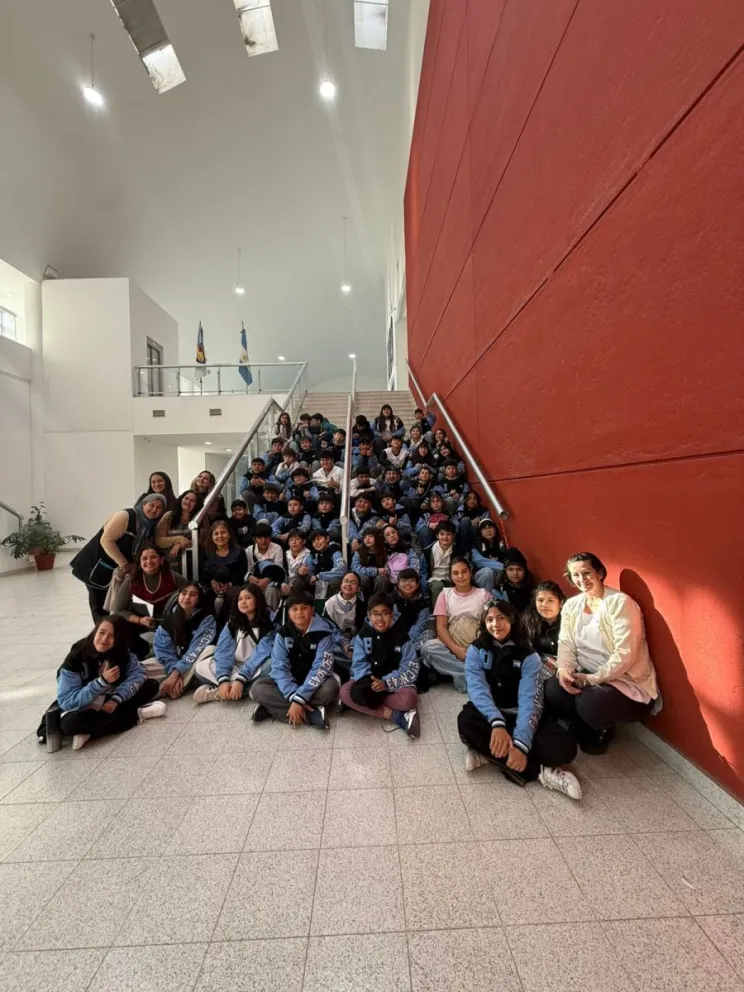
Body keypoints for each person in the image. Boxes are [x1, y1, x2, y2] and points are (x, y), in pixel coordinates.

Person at [457, 601, 581, 798]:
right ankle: (540, 772)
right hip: (492, 715)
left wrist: (522, 743)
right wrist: (497, 723)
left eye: (501, 618)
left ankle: (492, 755)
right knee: (466, 722)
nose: (495, 624)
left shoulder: (528, 655)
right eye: (490, 619)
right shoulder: (476, 649)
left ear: (512, 620)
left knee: (565, 747)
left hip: (522, 716)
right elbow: (477, 689)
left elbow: (530, 700)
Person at [544, 552, 660, 754]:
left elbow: (625, 654)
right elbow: (566, 643)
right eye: (575, 575)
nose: (582, 579)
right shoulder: (571, 605)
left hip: (623, 680)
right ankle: (582, 723)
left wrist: (592, 679)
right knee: (554, 688)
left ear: (599, 573)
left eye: (586, 573)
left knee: (590, 703)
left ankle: (602, 728)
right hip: (584, 672)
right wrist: (564, 670)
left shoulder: (620, 603)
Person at [56, 615, 164, 750]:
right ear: (95, 632)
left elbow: (138, 674)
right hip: (84, 705)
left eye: (112, 636)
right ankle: (136, 714)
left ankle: (91, 730)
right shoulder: (76, 657)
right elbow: (67, 701)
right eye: (101, 633)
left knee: (151, 685)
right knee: (70, 724)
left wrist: (116, 699)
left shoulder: (121, 651)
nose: (104, 639)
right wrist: (100, 682)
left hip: (110, 698)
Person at [71, 493, 166, 622]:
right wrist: (125, 564)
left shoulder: (149, 526)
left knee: (114, 602)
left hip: (115, 567)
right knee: (99, 604)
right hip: (96, 565)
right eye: (152, 505)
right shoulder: (125, 516)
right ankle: (102, 631)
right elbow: (106, 541)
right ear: (144, 504)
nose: (154, 509)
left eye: (159, 507)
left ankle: (112, 628)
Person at [250, 590, 339, 727]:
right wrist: (294, 696)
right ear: (288, 613)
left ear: (312, 610)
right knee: (258, 688)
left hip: (314, 682)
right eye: (294, 609)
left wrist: (300, 698)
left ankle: (272, 708)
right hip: (290, 679)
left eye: (304, 608)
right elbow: (279, 667)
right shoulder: (282, 633)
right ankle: (312, 715)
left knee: (330, 689)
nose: (299, 613)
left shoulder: (324, 634)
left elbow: (321, 668)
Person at [339, 593, 420, 736]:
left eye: (385, 613)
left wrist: (386, 683)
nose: (380, 619)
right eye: (375, 614)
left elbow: (410, 667)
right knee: (345, 692)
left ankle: (360, 704)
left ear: (392, 614)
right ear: (369, 615)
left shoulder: (402, 637)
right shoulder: (363, 635)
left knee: (409, 700)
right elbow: (359, 663)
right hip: (369, 682)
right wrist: (371, 683)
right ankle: (396, 716)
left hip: (394, 683)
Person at [194, 585, 275, 703]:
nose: (243, 602)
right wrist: (223, 679)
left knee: (272, 665)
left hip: (256, 666)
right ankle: (236, 689)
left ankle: (222, 692)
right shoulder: (233, 622)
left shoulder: (268, 622)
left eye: (248, 598)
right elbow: (223, 650)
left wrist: (241, 679)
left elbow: (262, 653)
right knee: (200, 667)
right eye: (240, 599)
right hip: (234, 665)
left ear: (258, 599)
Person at [420, 558, 491, 692]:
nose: (460, 576)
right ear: (451, 576)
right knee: (428, 649)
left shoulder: (484, 595)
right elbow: (441, 627)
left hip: (477, 645)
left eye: (464, 572)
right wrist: (456, 650)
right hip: (452, 644)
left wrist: (475, 649)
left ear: (470, 573)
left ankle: (462, 675)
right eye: (455, 573)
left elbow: (491, 627)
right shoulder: (445, 595)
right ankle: (471, 676)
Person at [112, 545, 185, 659]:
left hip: (170, 622)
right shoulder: (131, 581)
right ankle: (137, 656)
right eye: (144, 558)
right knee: (117, 624)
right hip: (141, 622)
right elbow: (119, 609)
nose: (149, 561)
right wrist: (140, 620)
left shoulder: (173, 577)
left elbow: (191, 592)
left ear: (161, 560)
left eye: (153, 557)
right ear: (139, 563)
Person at [151, 582, 216, 699]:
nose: (187, 597)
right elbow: (163, 650)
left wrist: (177, 673)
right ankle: (173, 685)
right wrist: (173, 671)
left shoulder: (206, 619)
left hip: (193, 661)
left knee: (209, 649)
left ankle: (166, 688)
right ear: (178, 596)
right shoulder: (168, 618)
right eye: (184, 593)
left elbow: (196, 649)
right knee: (143, 667)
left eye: (192, 595)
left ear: (198, 599)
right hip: (174, 663)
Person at [521, 581, 566, 676]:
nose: (544, 604)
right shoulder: (527, 623)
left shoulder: (569, 621)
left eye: (550, 600)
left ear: (561, 602)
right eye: (540, 600)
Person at [156, 490, 201, 570]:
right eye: (186, 498)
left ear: (196, 504)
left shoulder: (199, 518)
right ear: (181, 499)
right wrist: (179, 539)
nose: (188, 502)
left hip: (192, 564)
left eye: (192, 501)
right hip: (168, 563)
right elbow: (158, 540)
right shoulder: (169, 516)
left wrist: (179, 544)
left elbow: (202, 541)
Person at [245, 523, 286, 611]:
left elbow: (279, 569)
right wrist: (251, 578)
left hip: (272, 581)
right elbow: (247, 570)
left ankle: (271, 615)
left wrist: (267, 579)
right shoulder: (249, 550)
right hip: (255, 581)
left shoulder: (277, 548)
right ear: (254, 539)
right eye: (260, 538)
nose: (263, 541)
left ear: (270, 538)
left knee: (271, 590)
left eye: (266, 537)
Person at [392, 569, 433, 653]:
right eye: (404, 581)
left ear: (417, 585)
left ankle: (409, 653)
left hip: (413, 637)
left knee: (429, 635)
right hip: (395, 636)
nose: (408, 583)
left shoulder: (422, 601)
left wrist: (408, 641)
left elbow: (420, 625)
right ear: (398, 583)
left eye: (412, 581)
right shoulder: (390, 599)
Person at [202, 520, 248, 593]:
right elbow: (202, 571)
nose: (220, 536)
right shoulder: (206, 551)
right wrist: (212, 581)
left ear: (229, 535)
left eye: (223, 532)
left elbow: (242, 572)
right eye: (216, 533)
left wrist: (229, 584)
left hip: (234, 587)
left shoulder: (240, 551)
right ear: (211, 537)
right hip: (211, 587)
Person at [421, 519, 458, 602]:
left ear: (453, 536)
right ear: (437, 535)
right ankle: (438, 610)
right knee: (438, 586)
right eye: (442, 534)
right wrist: (424, 589)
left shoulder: (459, 550)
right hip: (434, 579)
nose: (445, 537)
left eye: (448, 534)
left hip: (452, 579)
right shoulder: (428, 551)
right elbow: (423, 572)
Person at [307, 529, 346, 601]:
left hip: (330, 582)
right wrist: (301, 571)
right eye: (314, 541)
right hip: (316, 584)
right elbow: (308, 568)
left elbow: (341, 569)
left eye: (319, 539)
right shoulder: (312, 554)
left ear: (327, 538)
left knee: (336, 582)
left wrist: (319, 576)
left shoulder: (334, 550)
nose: (316, 543)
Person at [351, 527, 390, 596]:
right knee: (363, 579)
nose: (367, 539)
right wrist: (376, 571)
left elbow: (388, 566)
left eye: (370, 536)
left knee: (382, 579)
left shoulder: (384, 550)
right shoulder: (359, 552)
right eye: (365, 537)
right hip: (365, 578)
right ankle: (363, 601)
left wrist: (384, 571)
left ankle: (379, 601)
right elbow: (355, 569)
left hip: (379, 578)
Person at [496, 548, 535, 612]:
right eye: (511, 569)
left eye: (519, 569)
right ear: (505, 571)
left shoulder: (531, 588)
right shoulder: (499, 587)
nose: (515, 573)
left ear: (525, 571)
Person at [472, 518, 505, 591]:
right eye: (484, 529)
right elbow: (479, 561)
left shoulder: (501, 544)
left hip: (498, 577)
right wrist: (504, 568)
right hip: (481, 577)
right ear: (480, 532)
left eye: (490, 527)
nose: (488, 531)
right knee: (488, 571)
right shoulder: (476, 546)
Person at [281, 529, 314, 596]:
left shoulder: (309, 555)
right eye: (291, 540)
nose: (294, 542)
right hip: (287, 584)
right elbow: (283, 571)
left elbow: (311, 574)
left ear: (304, 541)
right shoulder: (285, 554)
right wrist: (283, 583)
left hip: (303, 585)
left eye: (297, 539)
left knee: (299, 581)